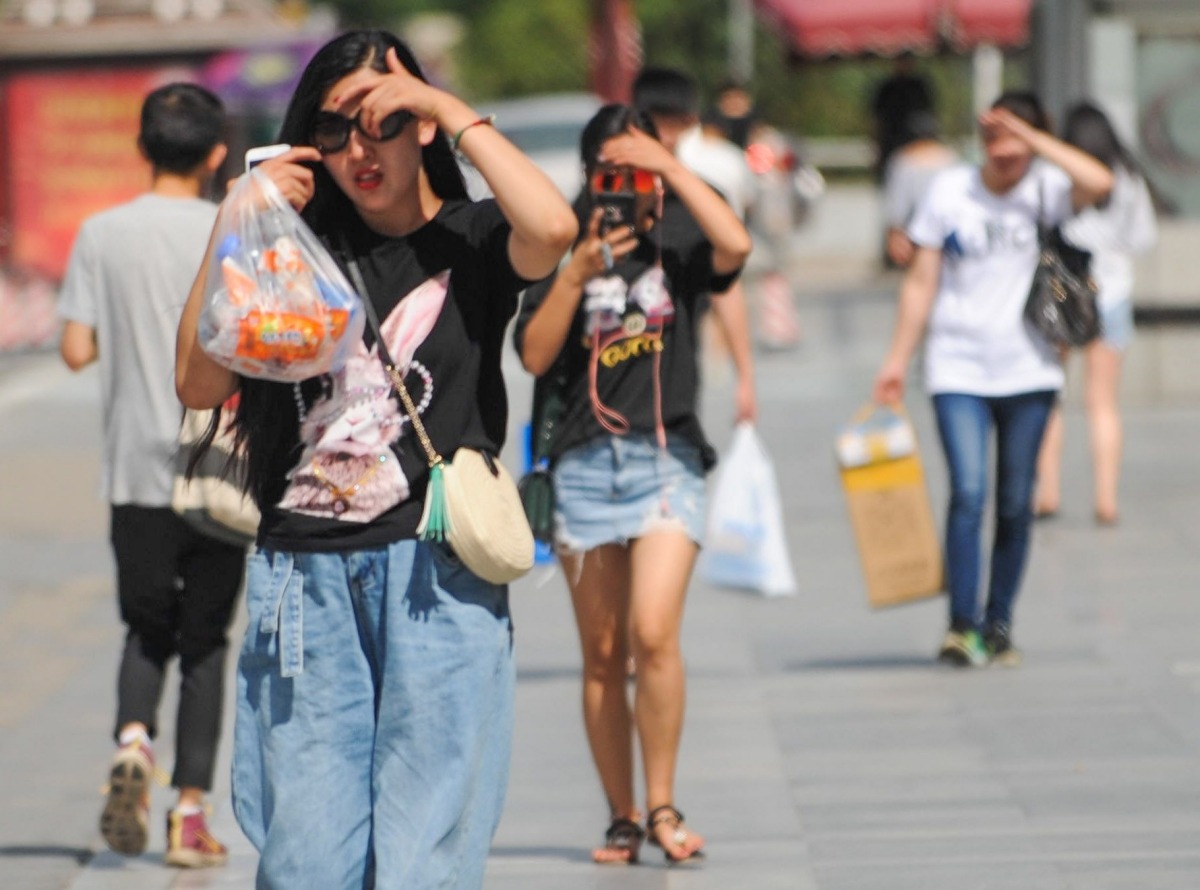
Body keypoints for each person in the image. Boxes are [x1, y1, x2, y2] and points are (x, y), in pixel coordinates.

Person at [174, 30, 576, 888]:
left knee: (424, 857)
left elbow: (554, 225)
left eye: (383, 122)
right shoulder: (288, 248)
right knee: (305, 860)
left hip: (439, 578)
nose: (359, 148)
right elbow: (198, 383)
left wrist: (443, 106)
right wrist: (235, 218)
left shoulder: (472, 240)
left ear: (420, 128)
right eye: (335, 128)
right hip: (303, 579)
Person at [513, 103, 752, 863]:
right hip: (583, 466)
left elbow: (737, 243)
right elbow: (533, 354)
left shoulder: (678, 240)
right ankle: (621, 814)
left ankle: (663, 805)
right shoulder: (557, 244)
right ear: (588, 177)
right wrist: (576, 274)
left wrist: (674, 168)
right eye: (613, 174)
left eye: (638, 172)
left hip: (665, 460)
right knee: (602, 653)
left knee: (653, 633)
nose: (628, 190)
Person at [58, 83, 243, 868]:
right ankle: (189, 818)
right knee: (205, 645)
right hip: (221, 469)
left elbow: (74, 349)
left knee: (146, 628)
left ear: (143, 148)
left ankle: (134, 740)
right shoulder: (232, 227)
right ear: (215, 155)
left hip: (133, 472)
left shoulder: (101, 234)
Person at [872, 91, 1113, 668]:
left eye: (1015, 142)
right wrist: (897, 360)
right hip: (957, 365)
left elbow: (1099, 182)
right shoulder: (949, 191)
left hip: (1029, 366)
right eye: (994, 140)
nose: (1003, 153)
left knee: (1013, 502)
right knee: (969, 492)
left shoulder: (1047, 190)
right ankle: (962, 624)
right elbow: (921, 283)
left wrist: (1034, 141)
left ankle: (999, 621)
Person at [1034, 102, 1158, 525]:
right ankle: (1106, 497)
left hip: (1061, 294)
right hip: (1112, 294)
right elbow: (1142, 239)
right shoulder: (1129, 179)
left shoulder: (1060, 179)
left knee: (1052, 397)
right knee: (1103, 403)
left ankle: (1048, 490)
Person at [633, 66, 757, 420]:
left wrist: (745, 374)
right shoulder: (609, 194)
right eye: (656, 122)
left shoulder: (704, 199)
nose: (666, 136)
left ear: (692, 124)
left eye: (677, 123)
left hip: (676, 358)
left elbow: (727, 282)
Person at [882, 111, 958, 268]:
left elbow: (898, 202)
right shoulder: (950, 157)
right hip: (948, 227)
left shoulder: (904, 160)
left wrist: (895, 233)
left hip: (916, 230)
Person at [869, 52, 935, 185]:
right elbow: (877, 121)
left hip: (917, 147)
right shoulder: (887, 88)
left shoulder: (919, 86)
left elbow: (929, 117)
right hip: (891, 145)